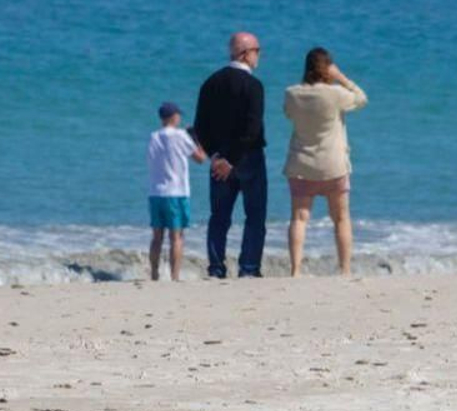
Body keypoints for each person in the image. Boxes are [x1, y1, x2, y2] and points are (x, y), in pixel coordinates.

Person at [283, 47, 366, 277]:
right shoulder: (336, 94)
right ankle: (345, 268)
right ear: (327, 68)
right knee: (340, 218)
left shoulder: (292, 93)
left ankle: (296, 269)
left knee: (299, 218)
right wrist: (341, 77)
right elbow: (361, 99)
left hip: (301, 164)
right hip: (333, 165)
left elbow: (288, 114)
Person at [193, 32, 267, 279]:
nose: (259, 55)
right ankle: (248, 268)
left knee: (219, 216)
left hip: (219, 158)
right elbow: (252, 128)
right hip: (248, 158)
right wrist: (231, 160)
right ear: (245, 53)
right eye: (257, 50)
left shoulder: (211, 82)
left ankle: (216, 268)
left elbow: (199, 126)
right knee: (254, 215)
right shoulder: (253, 85)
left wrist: (216, 155)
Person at [145, 102, 207, 281]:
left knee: (157, 237)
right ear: (173, 117)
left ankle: (155, 274)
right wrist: (195, 138)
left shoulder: (154, 136)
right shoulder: (180, 136)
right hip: (177, 191)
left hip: (156, 191)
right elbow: (200, 158)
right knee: (177, 236)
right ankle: (174, 276)